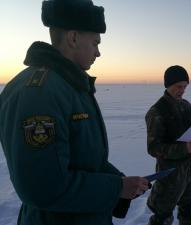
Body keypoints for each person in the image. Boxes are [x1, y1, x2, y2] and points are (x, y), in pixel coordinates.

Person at [0, 0, 150, 224]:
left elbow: (85, 159)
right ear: (73, 38)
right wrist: (116, 188)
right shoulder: (40, 93)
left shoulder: (70, 86)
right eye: (95, 42)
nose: (98, 52)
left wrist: (121, 182)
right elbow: (43, 188)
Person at [145, 65, 191, 225]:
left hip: (189, 169)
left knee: (189, 209)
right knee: (163, 217)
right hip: (169, 175)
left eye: (185, 87)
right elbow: (154, 148)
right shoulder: (157, 112)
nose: (182, 90)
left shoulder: (185, 105)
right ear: (167, 85)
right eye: (178, 87)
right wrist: (185, 148)